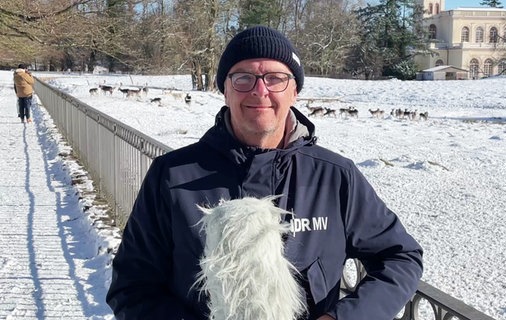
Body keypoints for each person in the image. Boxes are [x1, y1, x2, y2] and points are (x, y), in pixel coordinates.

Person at [106, 25, 423, 320]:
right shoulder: (173, 176)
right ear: (225, 91)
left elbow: (400, 258)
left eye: (275, 78)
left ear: (294, 91)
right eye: (243, 78)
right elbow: (132, 286)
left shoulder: (335, 176)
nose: (260, 90)